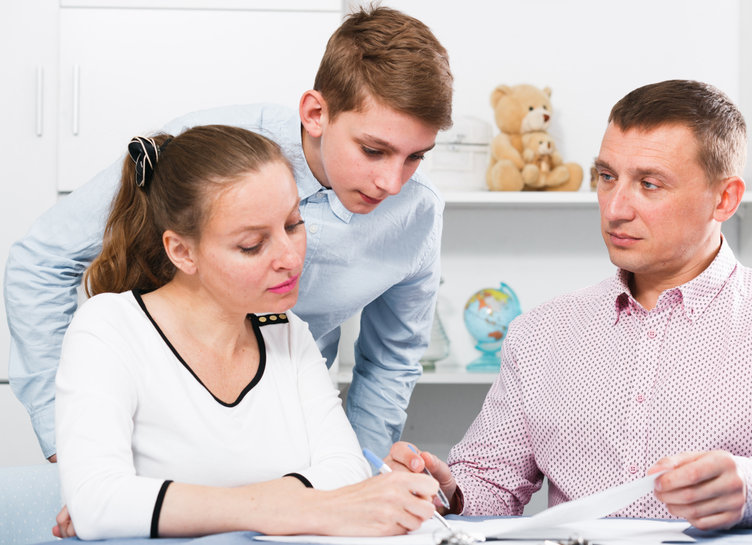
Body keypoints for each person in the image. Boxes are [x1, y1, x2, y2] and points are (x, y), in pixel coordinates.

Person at [388, 80, 752, 530]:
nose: (615, 207)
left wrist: (750, 489)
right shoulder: (541, 332)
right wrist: (447, 491)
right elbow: (490, 483)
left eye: (649, 184)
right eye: (606, 176)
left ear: (724, 200)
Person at [5, 5, 453, 462]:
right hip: (155, 429)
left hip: (286, 438)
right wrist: (65, 436)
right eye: (374, 150)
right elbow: (40, 263)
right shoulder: (207, 150)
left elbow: (390, 363)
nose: (393, 183)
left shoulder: (413, 215)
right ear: (316, 113)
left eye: (416, 156)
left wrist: (359, 475)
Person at [54, 125, 440, 540]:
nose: (291, 259)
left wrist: (157, 506)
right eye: (253, 245)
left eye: (293, 224)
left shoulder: (287, 332)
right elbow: (97, 503)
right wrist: (299, 508)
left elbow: (345, 471)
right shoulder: (109, 328)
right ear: (182, 251)